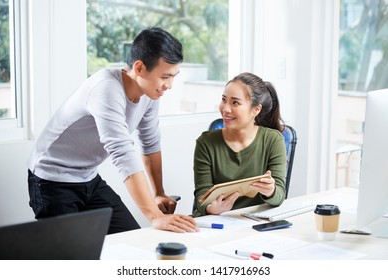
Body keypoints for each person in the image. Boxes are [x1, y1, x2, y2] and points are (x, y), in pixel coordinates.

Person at [27, 27, 198, 234]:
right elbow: (123, 154)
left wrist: (159, 193)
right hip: (51, 180)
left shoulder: (150, 93)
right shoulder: (106, 88)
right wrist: (155, 216)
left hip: (88, 177)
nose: (169, 85)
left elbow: (150, 143)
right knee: (73, 256)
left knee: (131, 241)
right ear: (140, 67)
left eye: (173, 77)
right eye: (165, 77)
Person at [192, 72, 287, 217]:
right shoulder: (206, 143)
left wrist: (271, 191)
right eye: (224, 100)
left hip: (251, 222)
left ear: (256, 109)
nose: (225, 109)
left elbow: (279, 196)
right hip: (212, 222)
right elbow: (201, 197)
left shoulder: (273, 140)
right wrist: (212, 208)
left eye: (235, 102)